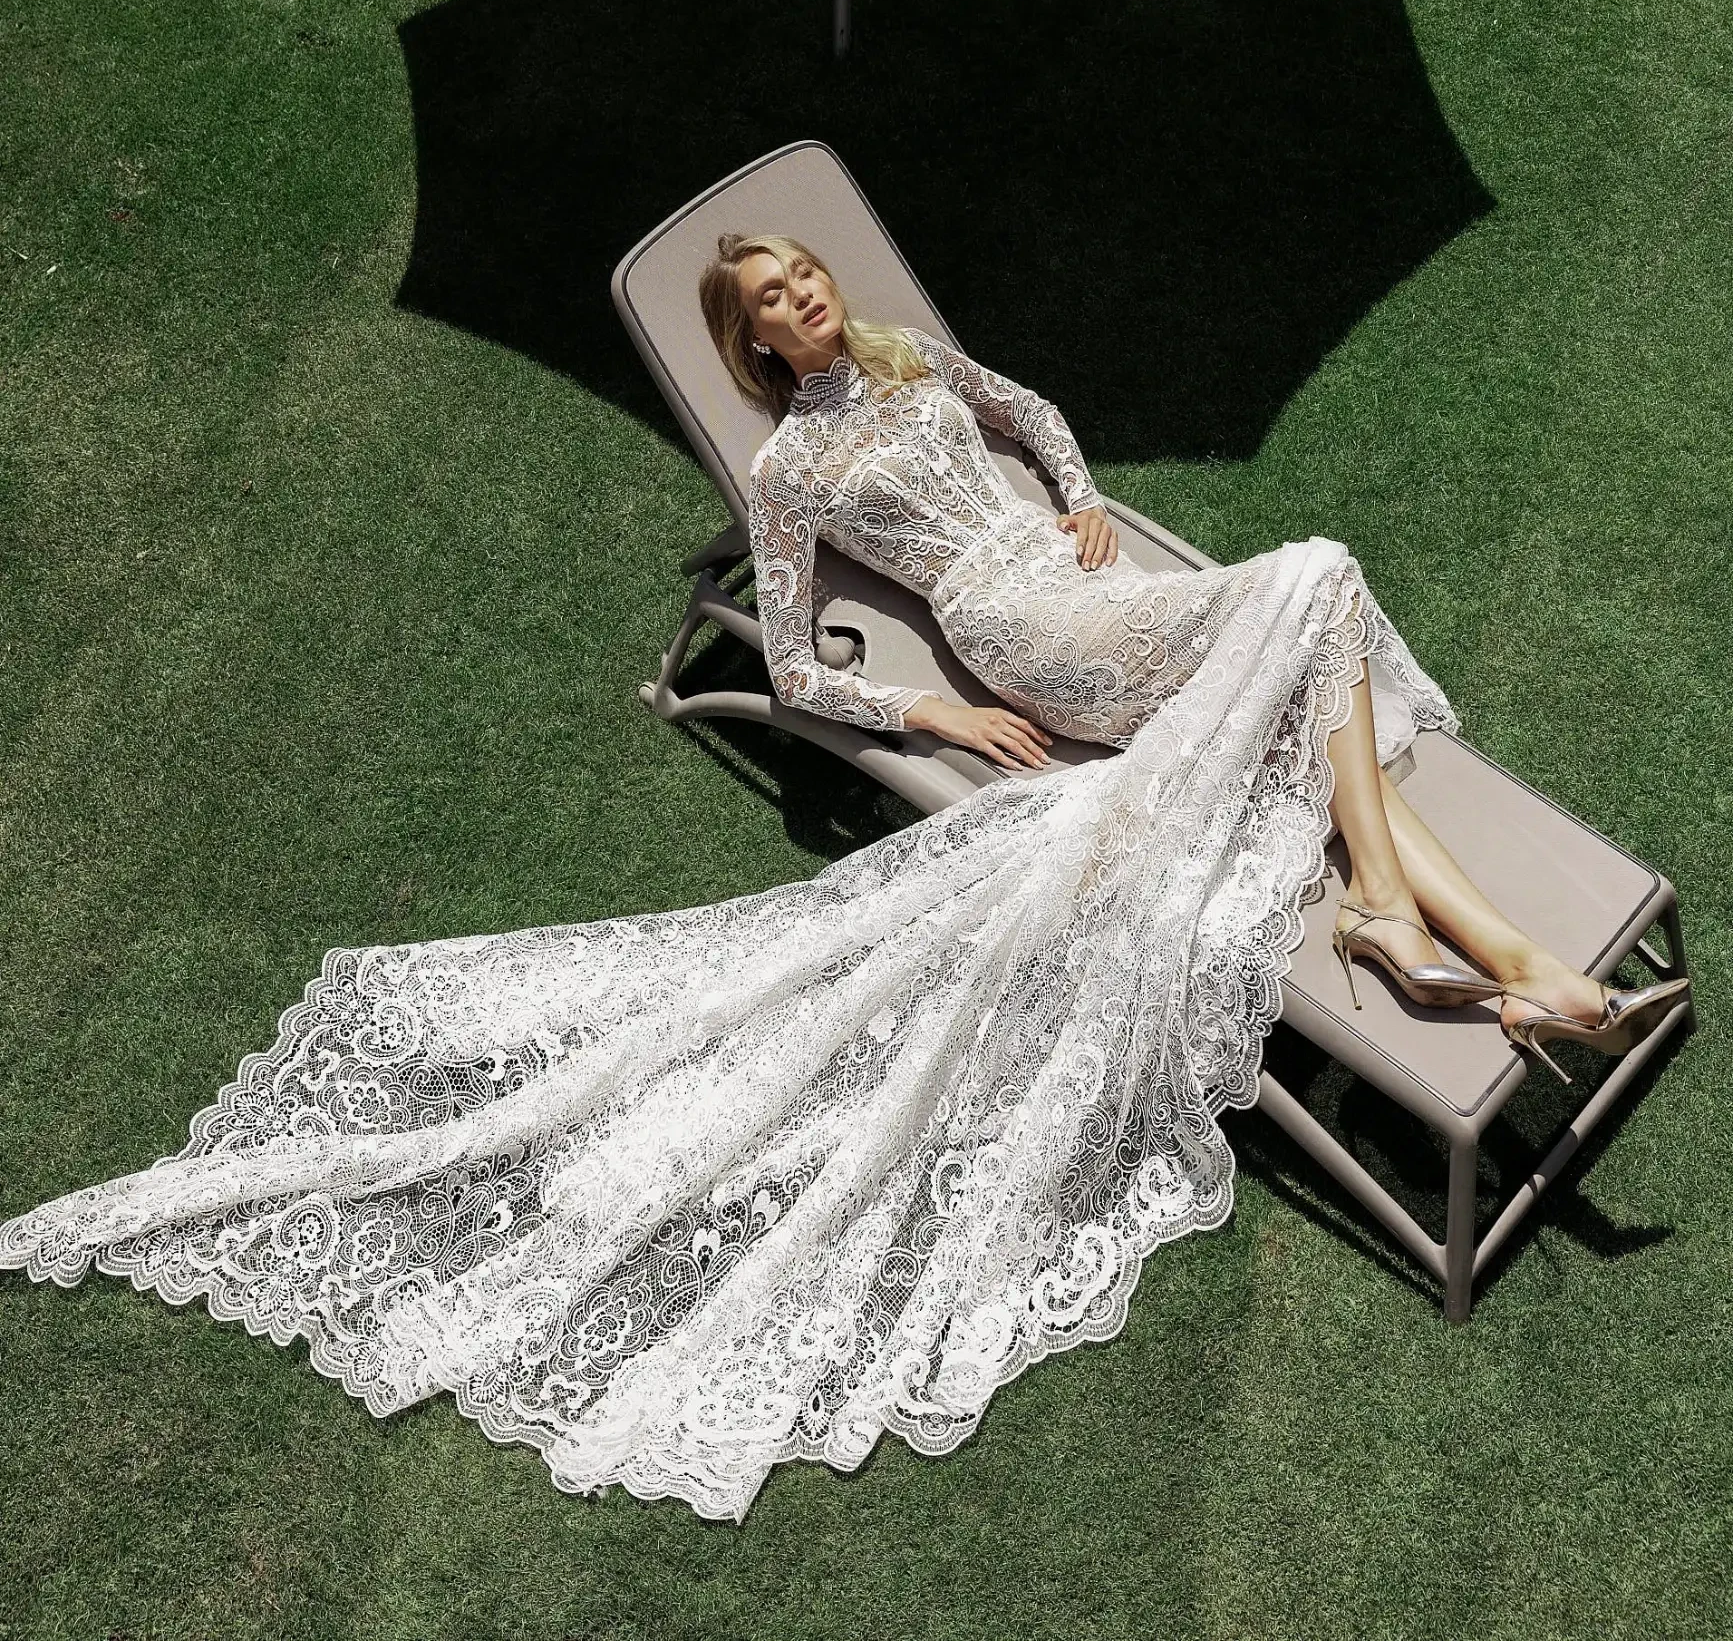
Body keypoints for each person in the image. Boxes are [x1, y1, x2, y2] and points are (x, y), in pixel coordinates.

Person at [0, 234, 1688, 1524]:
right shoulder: (791, 471)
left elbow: (1030, 413)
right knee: (1315, 581)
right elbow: (800, 661)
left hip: (1078, 576)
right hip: (1025, 635)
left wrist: (1080, 495)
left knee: (1306, 704)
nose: (805, 299)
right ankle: (1438, 931)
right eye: (774, 302)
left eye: (807, 276)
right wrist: (938, 706)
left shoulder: (908, 354)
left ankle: (1469, 950)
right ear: (752, 343)